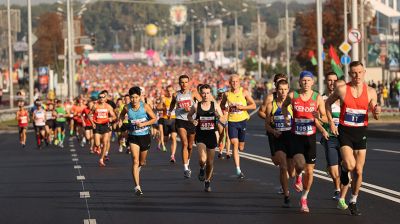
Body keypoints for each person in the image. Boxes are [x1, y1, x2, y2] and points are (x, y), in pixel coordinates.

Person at [325, 61, 381, 216]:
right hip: (345, 132)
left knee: (359, 170)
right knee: (350, 165)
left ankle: (353, 200)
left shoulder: (371, 91)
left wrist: (377, 111)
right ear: (350, 74)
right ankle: (343, 169)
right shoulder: (342, 89)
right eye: (354, 73)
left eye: (360, 72)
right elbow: (327, 104)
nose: (357, 76)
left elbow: (375, 113)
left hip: (361, 131)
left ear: (364, 72)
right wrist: (331, 122)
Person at [282, 71, 329, 213]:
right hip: (296, 135)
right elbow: (284, 107)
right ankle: (298, 176)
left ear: (313, 82)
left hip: (310, 137)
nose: (306, 83)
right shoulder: (293, 95)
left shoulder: (317, 97)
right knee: (300, 163)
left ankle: (304, 197)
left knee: (310, 171)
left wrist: (319, 116)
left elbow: (326, 118)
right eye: (304, 80)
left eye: (309, 80)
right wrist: (286, 117)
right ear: (300, 82)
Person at [118, 86, 157, 196]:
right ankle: (137, 187)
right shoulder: (126, 107)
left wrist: (143, 124)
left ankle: (138, 169)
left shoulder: (145, 106)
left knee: (142, 162)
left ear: (140, 97)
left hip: (144, 136)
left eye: (136, 97)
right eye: (132, 97)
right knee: (135, 160)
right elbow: (121, 116)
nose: (134, 100)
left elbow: (154, 119)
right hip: (133, 136)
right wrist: (121, 122)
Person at [188, 84, 226, 192]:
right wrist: (193, 121)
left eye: (208, 93)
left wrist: (218, 116)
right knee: (202, 159)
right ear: (200, 94)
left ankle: (207, 181)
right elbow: (189, 116)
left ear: (210, 94)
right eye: (203, 93)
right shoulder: (196, 106)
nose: (205, 95)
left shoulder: (215, 106)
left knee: (210, 162)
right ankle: (201, 168)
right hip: (200, 135)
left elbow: (223, 119)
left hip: (211, 136)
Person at [264, 79, 295, 208]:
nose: (283, 92)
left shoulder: (292, 104)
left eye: (285, 89)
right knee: (282, 167)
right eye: (280, 89)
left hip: (291, 138)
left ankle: (290, 182)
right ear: (276, 90)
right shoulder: (271, 105)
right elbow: (266, 124)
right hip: (279, 138)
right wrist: (273, 131)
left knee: (291, 172)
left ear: (288, 90)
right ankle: (286, 195)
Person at [220, 74, 256, 179]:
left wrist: (242, 107)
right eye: (232, 82)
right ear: (229, 83)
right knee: (234, 144)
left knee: (241, 147)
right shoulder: (226, 94)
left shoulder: (244, 92)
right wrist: (226, 108)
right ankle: (238, 169)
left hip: (242, 121)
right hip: (232, 122)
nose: (234, 83)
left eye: (236, 81)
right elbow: (222, 105)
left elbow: (253, 105)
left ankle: (240, 148)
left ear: (239, 82)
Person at [169, 75, 202, 178]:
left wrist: (193, 110)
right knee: (184, 143)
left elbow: (202, 105)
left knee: (190, 146)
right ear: (179, 83)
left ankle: (187, 161)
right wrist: (170, 111)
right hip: (180, 120)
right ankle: (185, 168)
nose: (184, 84)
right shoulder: (175, 95)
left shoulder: (193, 93)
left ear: (189, 83)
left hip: (191, 120)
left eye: (186, 82)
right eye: (182, 82)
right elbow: (172, 104)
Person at [321, 71, 342, 201]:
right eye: (329, 80)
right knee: (334, 169)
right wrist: (324, 128)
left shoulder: (343, 98)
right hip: (329, 136)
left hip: (345, 136)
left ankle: (343, 183)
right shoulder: (322, 99)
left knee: (346, 164)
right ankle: (337, 190)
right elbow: (317, 119)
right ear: (326, 82)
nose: (332, 83)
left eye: (334, 80)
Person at [90, 90, 116, 167]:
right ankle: (97, 147)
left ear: (105, 98)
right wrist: (92, 123)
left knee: (105, 142)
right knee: (97, 143)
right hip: (97, 125)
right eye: (100, 97)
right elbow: (89, 115)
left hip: (105, 125)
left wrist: (111, 119)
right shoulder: (95, 106)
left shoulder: (108, 106)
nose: (101, 98)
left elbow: (114, 116)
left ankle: (101, 159)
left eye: (103, 97)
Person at [157, 85, 178, 162]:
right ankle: (161, 139)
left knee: (173, 138)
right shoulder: (164, 99)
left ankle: (172, 156)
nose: (169, 92)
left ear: (173, 91)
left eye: (171, 91)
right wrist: (163, 108)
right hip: (165, 120)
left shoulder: (176, 99)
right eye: (168, 91)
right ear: (166, 91)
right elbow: (157, 107)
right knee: (165, 139)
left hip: (174, 120)